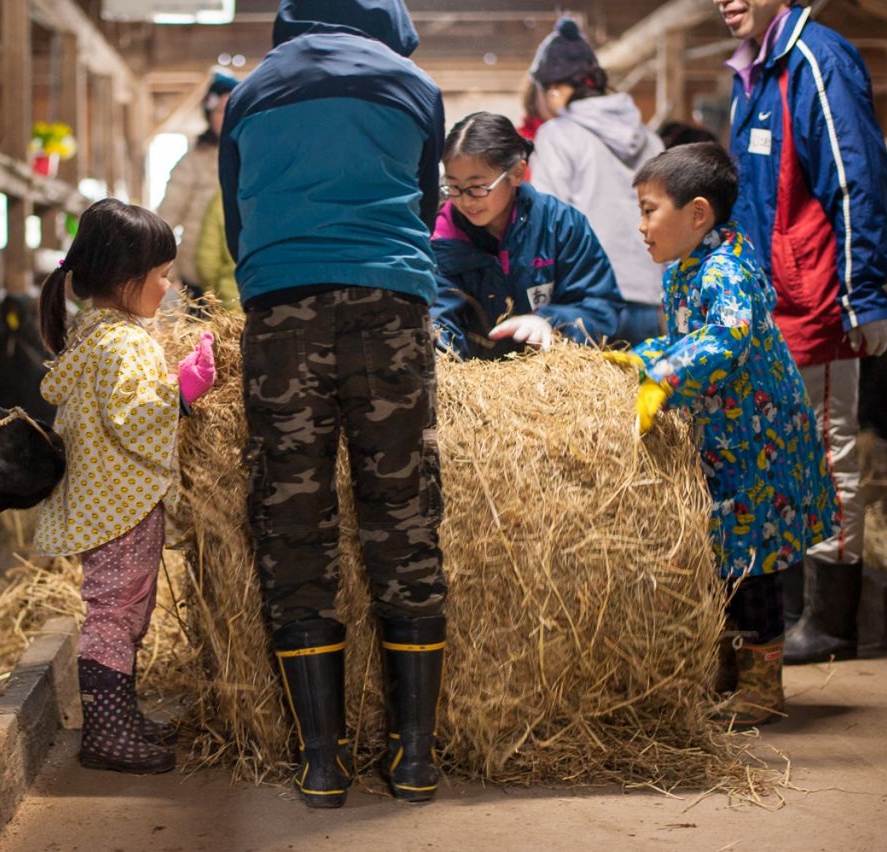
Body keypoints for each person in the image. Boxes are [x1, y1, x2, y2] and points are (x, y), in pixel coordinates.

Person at [219, 0, 447, 808]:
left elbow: (237, 220)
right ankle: (414, 756)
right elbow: (426, 204)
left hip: (282, 306)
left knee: (293, 517)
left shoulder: (250, 92)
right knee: (403, 511)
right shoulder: (414, 84)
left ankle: (322, 760)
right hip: (390, 303)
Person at [613, 142, 837, 726]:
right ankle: (729, 670)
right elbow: (689, 339)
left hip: (759, 445)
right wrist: (646, 358)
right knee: (726, 562)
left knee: (752, 565)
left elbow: (725, 339)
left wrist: (664, 376)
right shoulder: (688, 268)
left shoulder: (725, 269)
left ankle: (762, 687)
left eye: (649, 210)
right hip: (728, 442)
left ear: (697, 214)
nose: (641, 226)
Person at [717, 0, 887, 664]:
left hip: (817, 301)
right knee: (784, 459)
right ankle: (795, 608)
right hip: (773, 305)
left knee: (826, 453)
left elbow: (856, 178)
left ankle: (831, 620)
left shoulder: (817, 59)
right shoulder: (753, 74)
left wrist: (864, 296)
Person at [33, 199, 217, 774]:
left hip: (111, 501)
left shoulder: (97, 333)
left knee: (127, 609)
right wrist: (182, 391)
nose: (168, 287)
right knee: (115, 613)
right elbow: (133, 416)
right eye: (161, 275)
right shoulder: (122, 342)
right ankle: (106, 734)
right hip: (123, 505)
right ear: (124, 279)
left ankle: (120, 718)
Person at [431, 112, 623, 359]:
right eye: (454, 187)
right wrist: (442, 354)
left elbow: (600, 309)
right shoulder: (441, 238)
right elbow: (437, 318)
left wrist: (550, 323)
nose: (465, 201)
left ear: (517, 173)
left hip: (551, 374)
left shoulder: (560, 225)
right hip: (476, 376)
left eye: (477, 187)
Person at [527, 18, 666, 346]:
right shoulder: (651, 141)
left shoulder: (557, 136)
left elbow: (547, 219)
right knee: (641, 381)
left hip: (588, 302)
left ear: (554, 90)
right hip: (649, 296)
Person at [157, 70, 238, 304]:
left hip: (237, 271)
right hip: (198, 275)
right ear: (209, 113)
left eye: (232, 110)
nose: (226, 117)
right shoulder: (193, 160)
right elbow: (168, 214)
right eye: (220, 111)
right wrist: (162, 266)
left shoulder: (250, 155)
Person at [193, 191, 241, 311]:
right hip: (271, 298)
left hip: (230, 299)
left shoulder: (222, 199)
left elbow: (207, 260)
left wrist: (213, 291)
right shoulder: (275, 195)